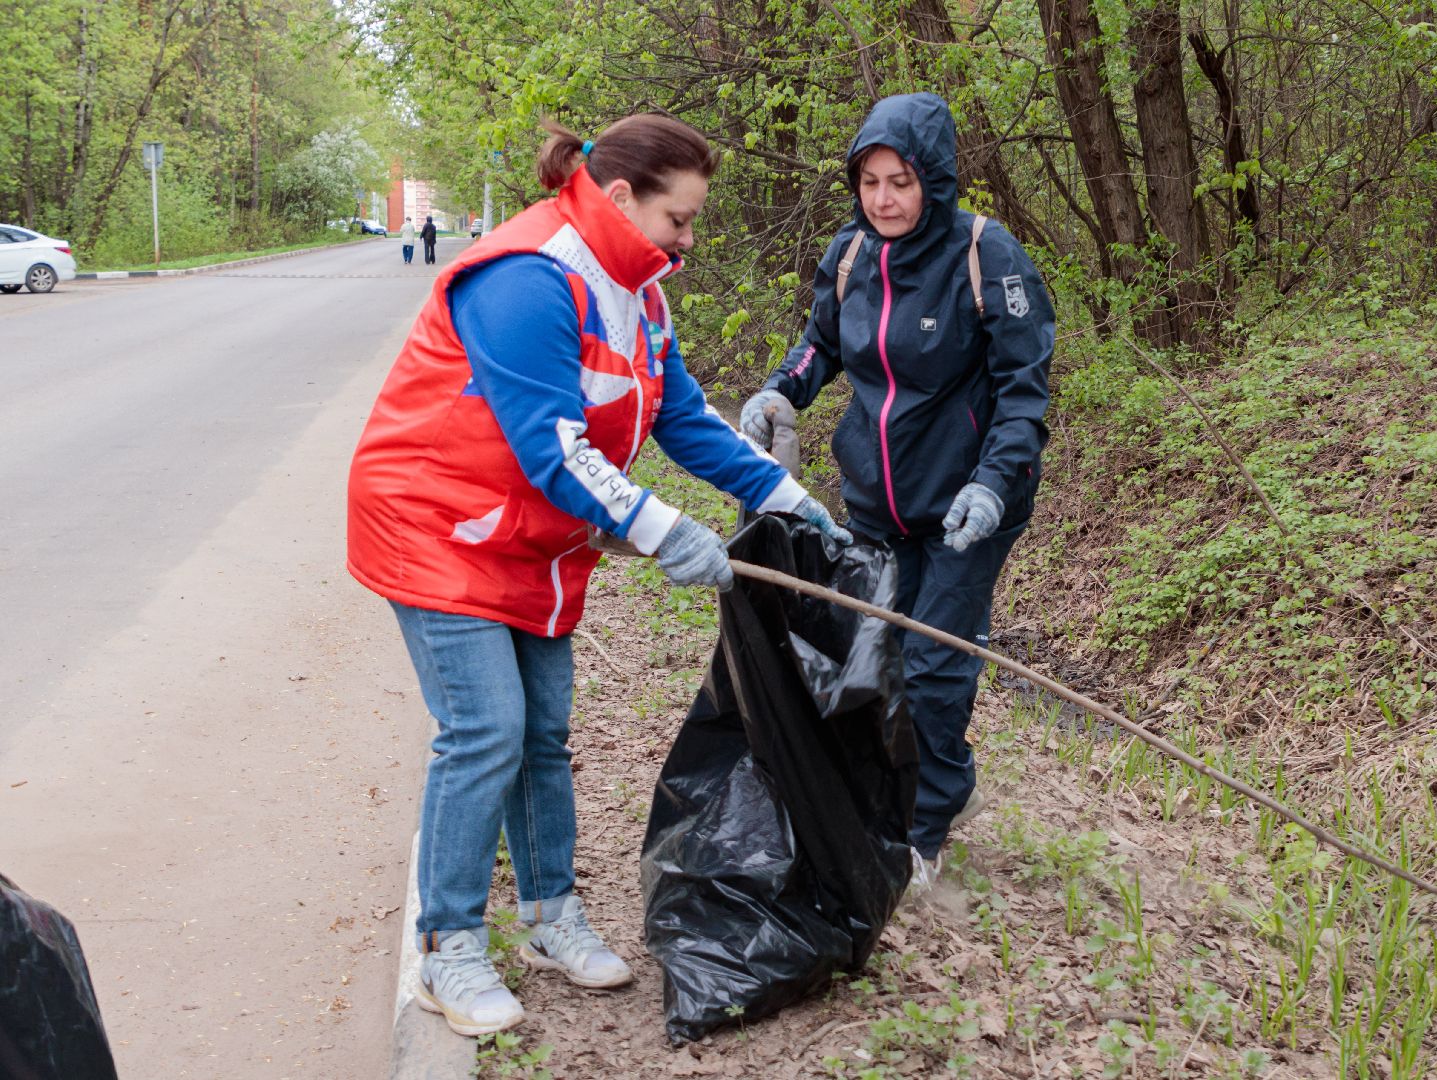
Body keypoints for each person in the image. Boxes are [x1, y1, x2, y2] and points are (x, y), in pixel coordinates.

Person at [347, 114, 850, 1038]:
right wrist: (665, 531)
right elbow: (552, 446)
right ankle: (447, 946)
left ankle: (548, 917)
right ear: (620, 197)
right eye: (680, 220)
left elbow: (683, 420)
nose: (688, 243)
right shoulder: (526, 277)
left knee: (543, 730)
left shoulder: (640, 291)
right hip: (435, 525)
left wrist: (786, 497)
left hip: (527, 539)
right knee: (485, 729)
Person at [740, 92, 1055, 893]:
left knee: (935, 661)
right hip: (878, 496)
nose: (883, 199)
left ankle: (926, 825)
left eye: (901, 182)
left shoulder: (990, 256)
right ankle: (934, 782)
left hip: (968, 504)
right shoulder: (851, 256)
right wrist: (782, 394)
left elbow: (1024, 390)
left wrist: (991, 483)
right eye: (870, 181)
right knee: (876, 650)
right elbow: (820, 347)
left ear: (936, 181)